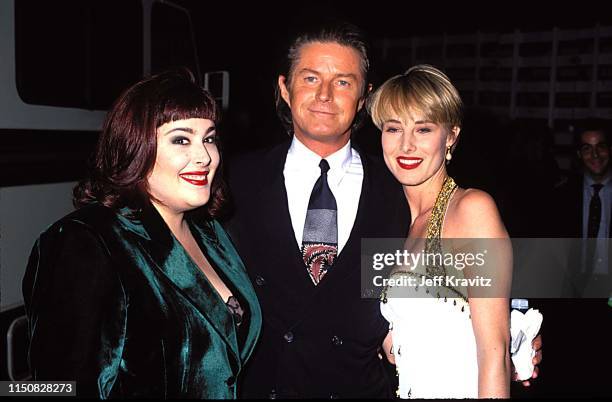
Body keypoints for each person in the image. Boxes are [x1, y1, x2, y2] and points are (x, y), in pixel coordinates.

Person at [226, 23, 541, 398]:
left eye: (343, 81)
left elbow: (487, 332)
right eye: (310, 77)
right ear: (284, 88)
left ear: (363, 96)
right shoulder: (230, 181)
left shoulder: (396, 193)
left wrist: (515, 337)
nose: (325, 94)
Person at [22, 70, 261, 398]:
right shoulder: (85, 241)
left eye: (208, 138)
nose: (204, 156)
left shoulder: (211, 233)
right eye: (181, 139)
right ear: (136, 147)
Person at [369, 65, 512, 398]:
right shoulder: (389, 220)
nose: (406, 145)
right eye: (393, 128)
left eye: (423, 129)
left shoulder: (471, 210)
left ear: (451, 136)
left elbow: (495, 355)